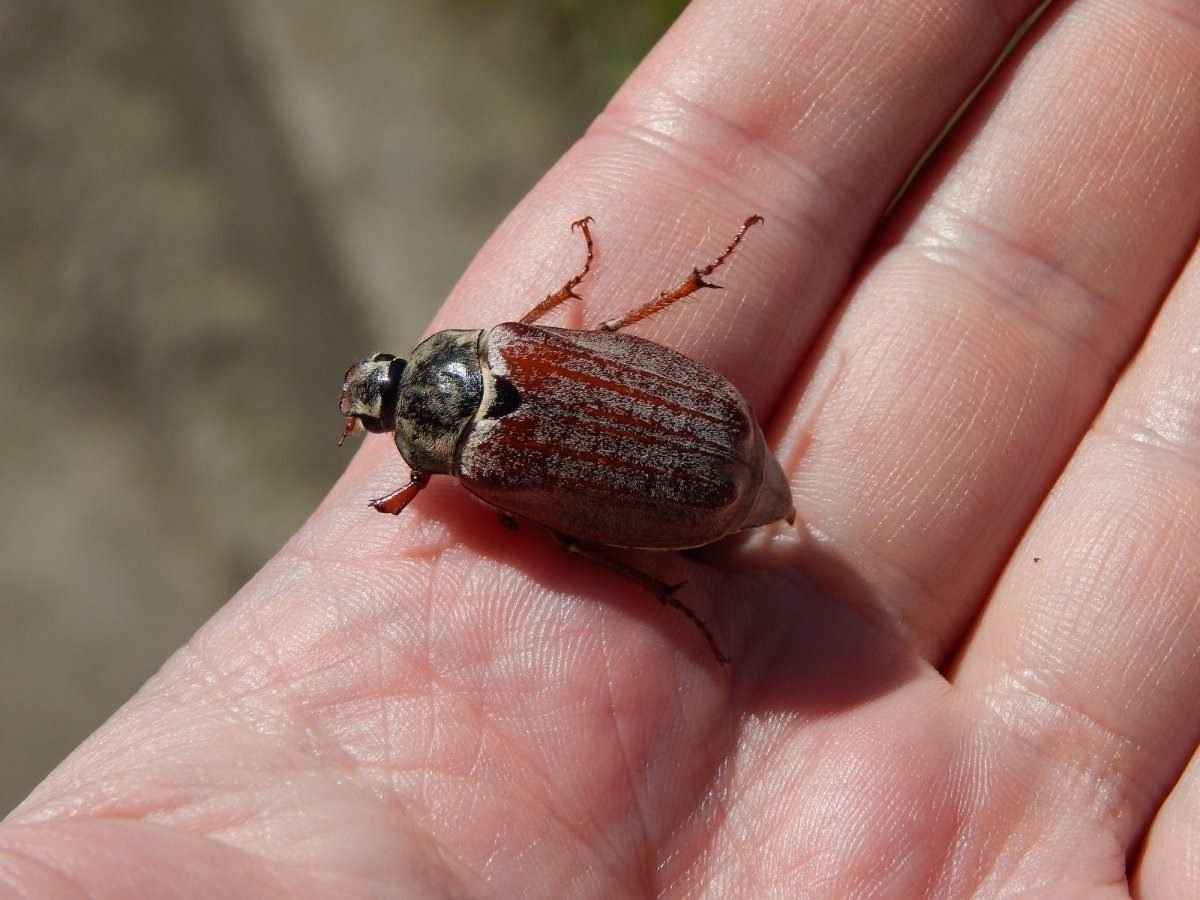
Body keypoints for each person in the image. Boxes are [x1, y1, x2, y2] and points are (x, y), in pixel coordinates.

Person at [4, 1, 1199, 894]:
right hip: (704, 454)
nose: (385, 411)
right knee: (587, 372)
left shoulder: (465, 470)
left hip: (705, 465)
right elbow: (605, 336)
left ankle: (670, 552)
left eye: (382, 410)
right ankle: (675, 525)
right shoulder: (494, 380)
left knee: (562, 483)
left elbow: (579, 422)